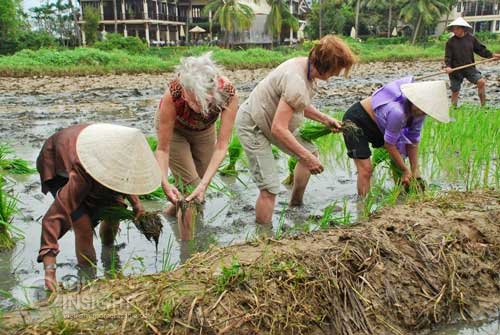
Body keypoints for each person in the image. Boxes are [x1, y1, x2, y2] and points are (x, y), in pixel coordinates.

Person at [235, 35, 357, 224]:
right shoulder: (296, 80)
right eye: (337, 69)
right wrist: (306, 158)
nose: (337, 74)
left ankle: (295, 204)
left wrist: (325, 119)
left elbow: (297, 104)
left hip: (270, 119)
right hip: (254, 124)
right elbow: (278, 129)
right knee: (269, 188)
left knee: (310, 151)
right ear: (326, 65)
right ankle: (263, 240)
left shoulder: (305, 67)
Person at [36, 123, 162, 292]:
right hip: (59, 163)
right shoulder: (83, 172)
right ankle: (89, 278)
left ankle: (109, 253)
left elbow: (126, 179)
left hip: (91, 154)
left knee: (114, 210)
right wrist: (50, 273)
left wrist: (137, 204)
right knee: (83, 226)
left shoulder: (122, 153)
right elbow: (51, 220)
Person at [154, 52, 238, 240]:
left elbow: (222, 146)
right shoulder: (174, 93)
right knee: (191, 190)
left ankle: (168, 216)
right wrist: (164, 182)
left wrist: (205, 184)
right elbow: (162, 148)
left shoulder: (228, 94)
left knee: (198, 185)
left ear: (213, 93)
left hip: (204, 131)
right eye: (190, 100)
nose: (195, 107)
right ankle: (188, 252)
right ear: (184, 89)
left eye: (201, 102)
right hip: (175, 131)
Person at [342, 77, 450, 196]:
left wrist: (415, 170)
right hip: (357, 121)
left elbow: (413, 142)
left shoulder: (420, 114)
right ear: (413, 100)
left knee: (399, 158)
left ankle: (400, 195)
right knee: (366, 169)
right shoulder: (397, 112)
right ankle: (363, 207)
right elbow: (390, 144)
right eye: (420, 107)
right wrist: (405, 170)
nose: (421, 112)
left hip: (378, 124)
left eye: (425, 111)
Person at [444, 17, 500, 107]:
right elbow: (448, 57)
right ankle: (453, 108)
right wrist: (448, 67)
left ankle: (484, 106)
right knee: (455, 90)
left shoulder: (471, 39)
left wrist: (492, 55)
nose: (455, 31)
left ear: (463, 28)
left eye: (457, 28)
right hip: (455, 69)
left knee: (481, 82)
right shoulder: (450, 42)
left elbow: (480, 50)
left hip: (469, 67)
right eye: (454, 29)